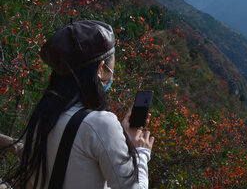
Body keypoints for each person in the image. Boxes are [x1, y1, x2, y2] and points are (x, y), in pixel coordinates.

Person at [4, 20, 154, 188]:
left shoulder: (45, 113)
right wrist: (141, 152)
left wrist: (120, 135)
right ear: (100, 68)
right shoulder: (101, 124)